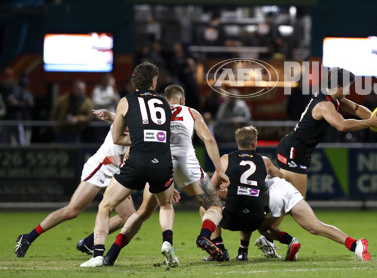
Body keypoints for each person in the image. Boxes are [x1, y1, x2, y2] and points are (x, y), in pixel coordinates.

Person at [100, 84, 230, 265]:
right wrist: (220, 170)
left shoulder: (156, 112)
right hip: (186, 162)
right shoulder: (191, 112)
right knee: (214, 205)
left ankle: (111, 254)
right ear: (182, 100)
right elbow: (208, 138)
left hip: (160, 162)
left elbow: (138, 134)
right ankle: (204, 236)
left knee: (144, 211)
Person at [80, 62, 176, 268]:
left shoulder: (125, 101)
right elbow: (164, 133)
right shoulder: (164, 102)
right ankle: (167, 242)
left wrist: (137, 139)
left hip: (138, 162)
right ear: (153, 82)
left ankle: (97, 254)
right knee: (166, 205)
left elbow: (116, 138)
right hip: (163, 162)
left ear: (135, 82)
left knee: (105, 206)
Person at [14, 109, 135, 257]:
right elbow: (118, 122)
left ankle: (88, 242)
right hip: (101, 168)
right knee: (72, 210)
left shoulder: (143, 124)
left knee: (127, 216)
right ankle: (27, 238)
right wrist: (108, 114)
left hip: (116, 172)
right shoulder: (131, 119)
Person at [276, 67, 377, 197]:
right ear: (340, 86)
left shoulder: (333, 97)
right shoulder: (325, 105)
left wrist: (375, 118)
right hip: (293, 151)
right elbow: (342, 125)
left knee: (287, 202)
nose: (349, 90)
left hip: (297, 150)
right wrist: (370, 123)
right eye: (348, 86)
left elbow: (357, 109)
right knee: (297, 202)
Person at [209, 126, 282, 261]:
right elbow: (280, 179)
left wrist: (227, 194)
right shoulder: (265, 161)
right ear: (254, 143)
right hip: (256, 219)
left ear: (238, 143)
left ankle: (219, 249)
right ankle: (243, 251)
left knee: (206, 207)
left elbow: (210, 189)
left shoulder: (225, 159)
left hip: (231, 219)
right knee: (249, 203)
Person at [255, 175, 371, 261]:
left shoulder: (237, 165)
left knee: (263, 228)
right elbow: (278, 174)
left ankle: (291, 241)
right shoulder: (262, 160)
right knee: (315, 226)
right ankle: (355, 245)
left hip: (270, 196)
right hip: (284, 187)